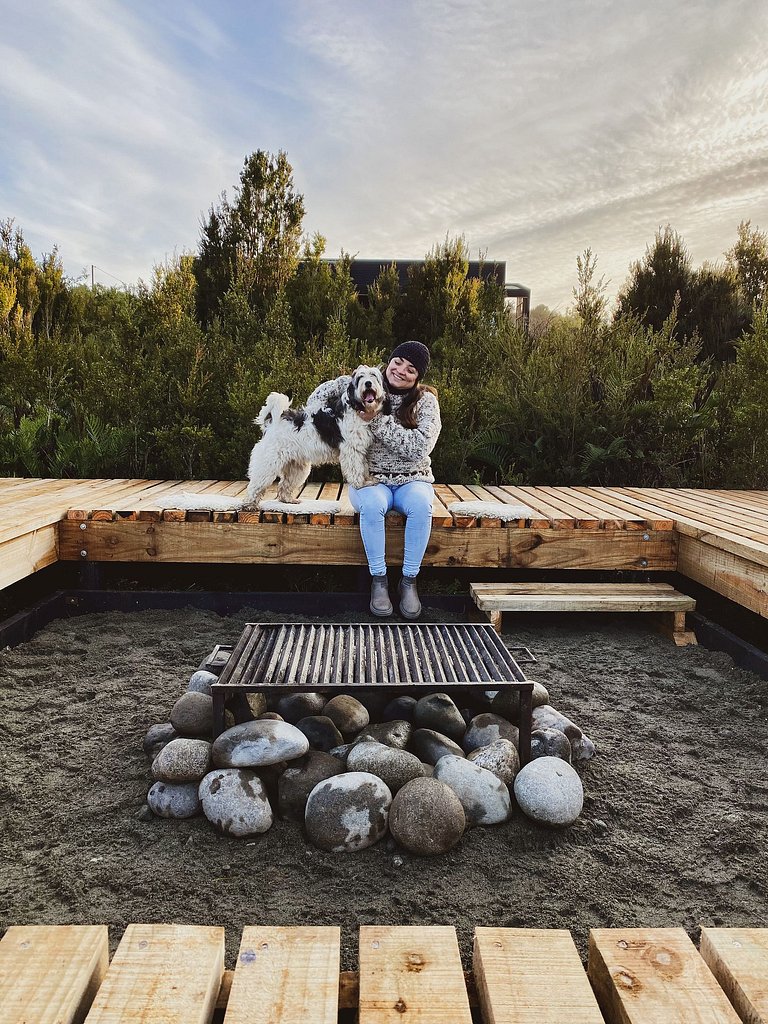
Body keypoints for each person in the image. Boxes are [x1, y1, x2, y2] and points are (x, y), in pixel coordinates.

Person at [307, 341, 441, 618]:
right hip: (371, 478)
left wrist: (375, 420)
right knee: (372, 505)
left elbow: (418, 447)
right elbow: (318, 396)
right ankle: (378, 580)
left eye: (411, 369)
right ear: (389, 361)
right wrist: (326, 421)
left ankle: (409, 581)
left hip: (412, 479)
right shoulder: (363, 382)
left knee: (421, 506)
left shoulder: (426, 401)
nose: (401, 370)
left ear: (418, 377)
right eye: (398, 361)